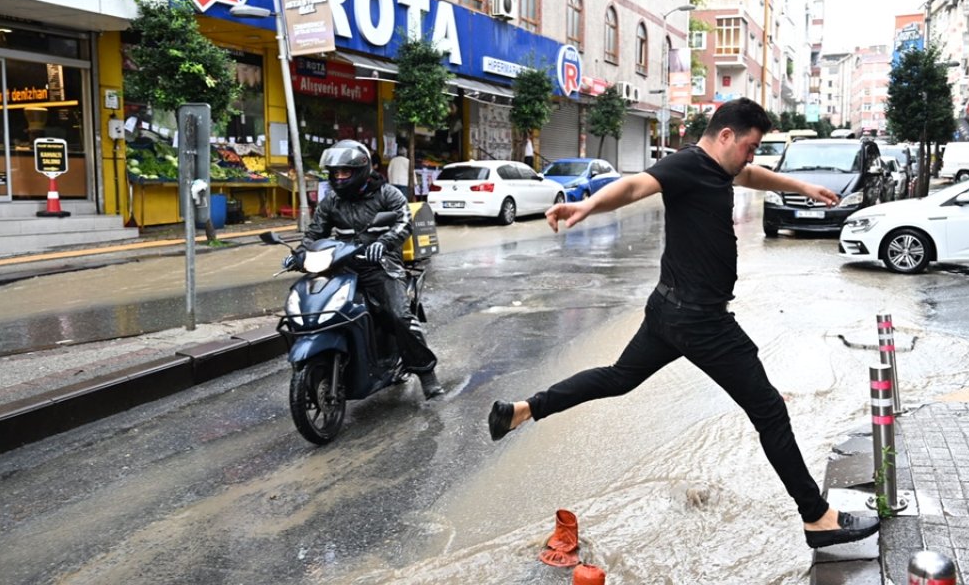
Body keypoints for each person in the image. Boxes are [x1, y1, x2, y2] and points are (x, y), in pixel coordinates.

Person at [485, 98, 880, 548]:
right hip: (701, 321)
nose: (752, 156)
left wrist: (800, 187)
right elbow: (635, 186)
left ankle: (523, 410)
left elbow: (749, 175)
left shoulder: (720, 166)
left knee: (618, 377)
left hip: (667, 310)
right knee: (769, 411)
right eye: (750, 146)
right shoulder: (686, 164)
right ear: (726, 135)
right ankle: (817, 517)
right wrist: (585, 206)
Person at [287, 140, 445, 396]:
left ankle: (426, 373)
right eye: (335, 172)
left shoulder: (387, 193)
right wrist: (299, 254)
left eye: (344, 172)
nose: (339, 178)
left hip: (381, 266)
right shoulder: (331, 201)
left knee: (398, 315)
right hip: (341, 266)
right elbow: (315, 232)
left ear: (360, 169)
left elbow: (404, 223)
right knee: (312, 306)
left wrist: (384, 243)